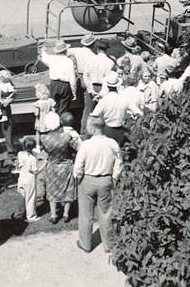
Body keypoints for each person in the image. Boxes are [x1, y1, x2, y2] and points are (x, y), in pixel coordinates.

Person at [73, 117, 122, 254]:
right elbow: (119, 162)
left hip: (88, 180)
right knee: (106, 213)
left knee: (85, 214)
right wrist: (114, 177)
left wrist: (78, 177)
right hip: (106, 180)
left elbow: (78, 166)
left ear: (93, 128)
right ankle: (108, 245)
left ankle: (85, 244)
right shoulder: (112, 143)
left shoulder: (86, 145)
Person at [40, 112, 76, 224]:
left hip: (52, 166)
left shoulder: (44, 139)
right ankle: (66, 214)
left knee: (52, 189)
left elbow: (45, 151)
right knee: (68, 189)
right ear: (59, 122)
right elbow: (76, 148)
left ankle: (53, 215)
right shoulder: (66, 137)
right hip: (66, 165)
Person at [82, 39, 115, 134]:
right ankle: (100, 132)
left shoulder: (91, 59)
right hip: (103, 88)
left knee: (88, 111)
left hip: (92, 85)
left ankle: (84, 132)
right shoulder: (110, 62)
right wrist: (102, 93)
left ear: (97, 49)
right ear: (107, 50)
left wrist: (90, 89)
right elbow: (108, 79)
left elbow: (85, 75)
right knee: (102, 112)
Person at [40, 40, 77, 115]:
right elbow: (72, 79)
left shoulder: (52, 59)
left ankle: (55, 120)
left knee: (54, 106)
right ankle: (62, 119)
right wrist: (74, 92)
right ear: (65, 50)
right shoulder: (69, 61)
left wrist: (43, 50)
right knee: (64, 108)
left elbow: (44, 57)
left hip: (54, 84)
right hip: (65, 85)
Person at [91, 72, 128, 145]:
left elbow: (95, 115)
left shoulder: (104, 101)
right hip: (121, 130)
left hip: (108, 130)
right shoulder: (123, 99)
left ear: (107, 86)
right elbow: (137, 111)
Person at [15, 137, 42, 222]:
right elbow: (34, 171)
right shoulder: (33, 159)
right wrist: (44, 165)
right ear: (33, 147)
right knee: (30, 198)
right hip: (30, 180)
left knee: (22, 197)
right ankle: (31, 216)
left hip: (21, 178)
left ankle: (18, 214)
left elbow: (19, 164)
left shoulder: (20, 154)